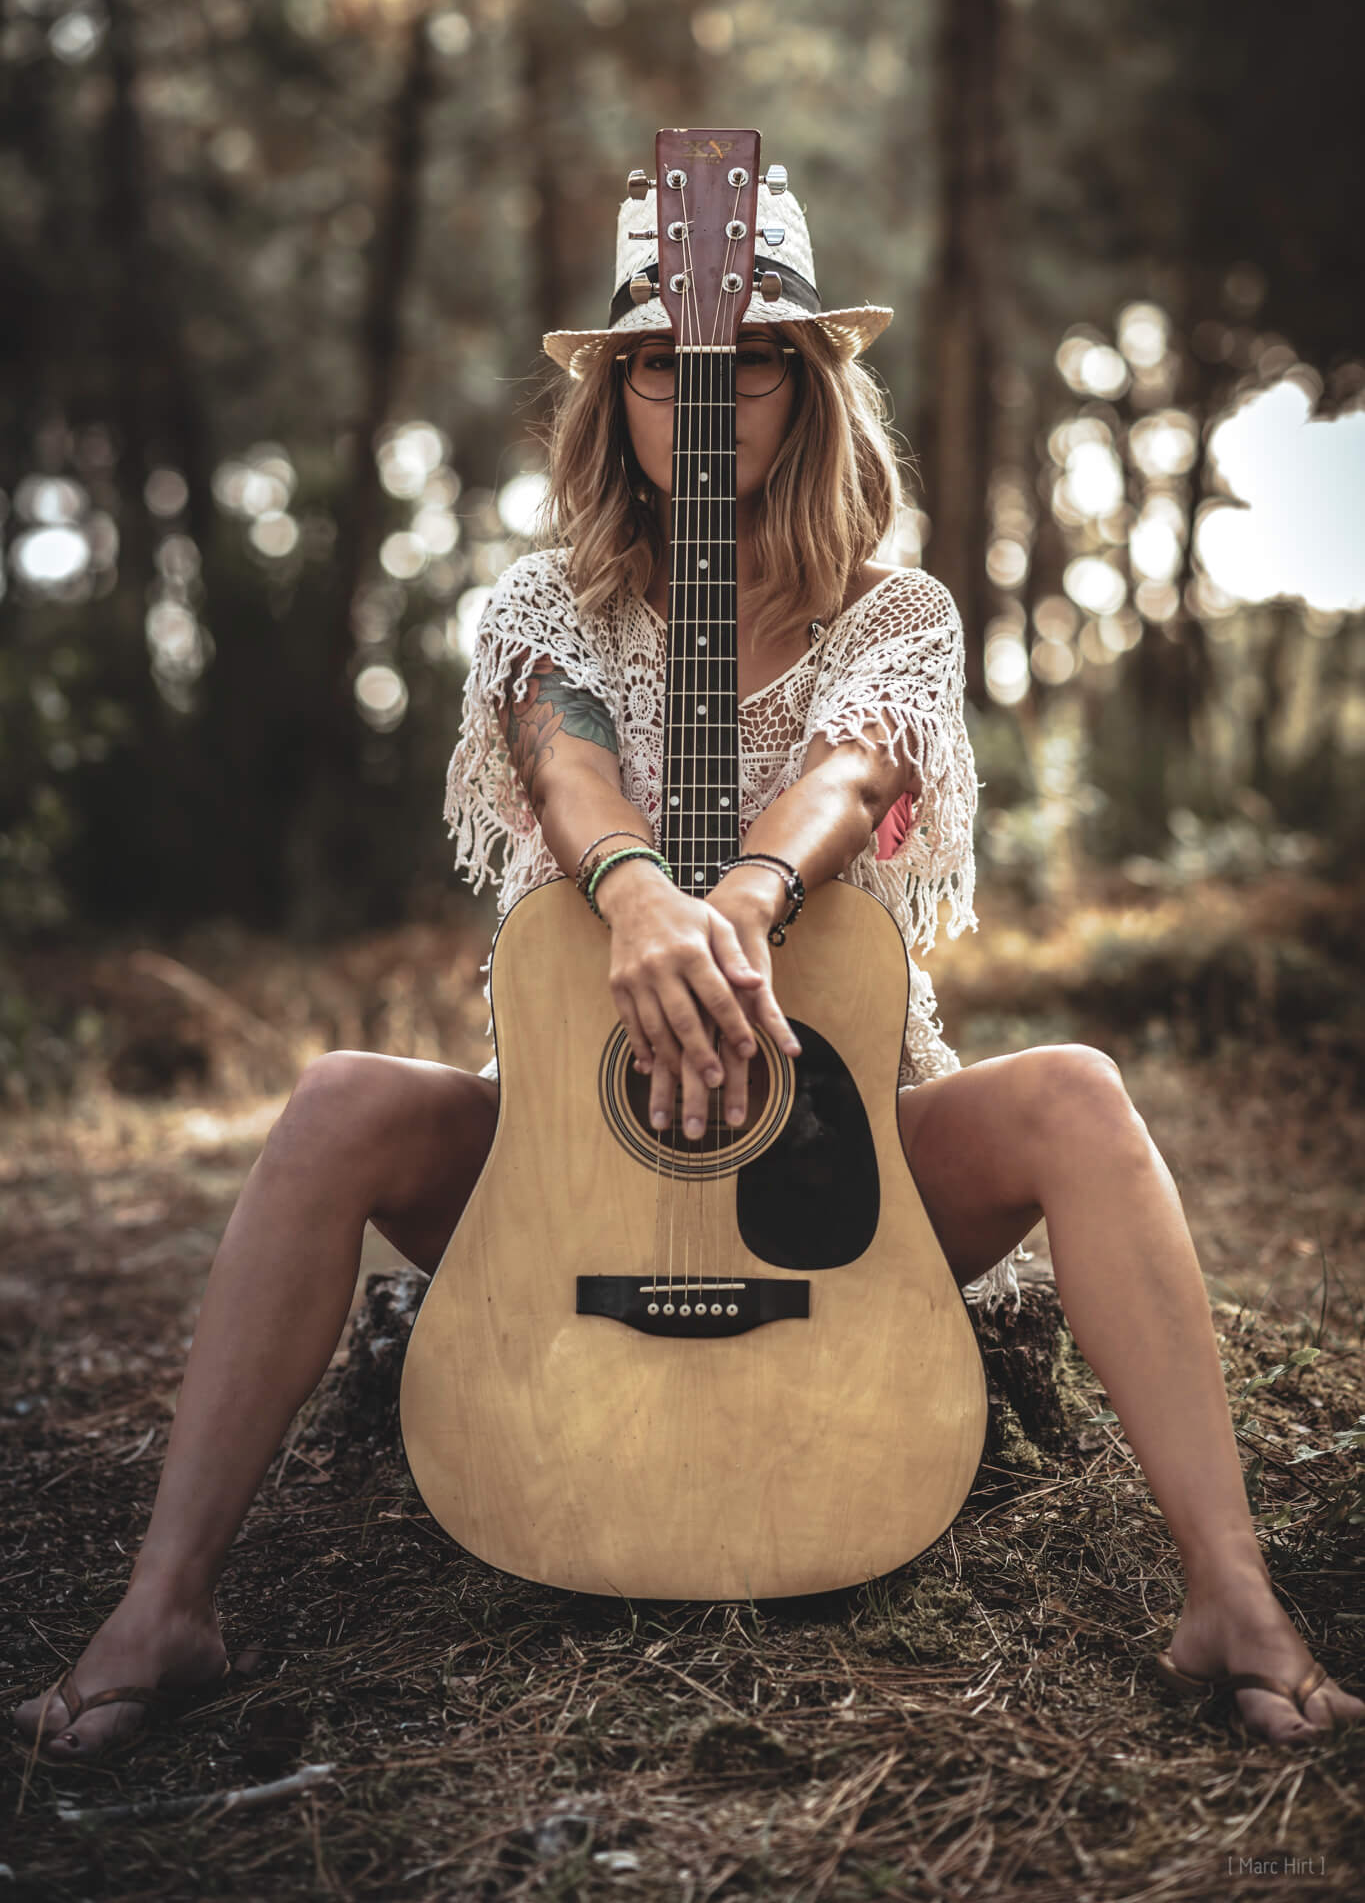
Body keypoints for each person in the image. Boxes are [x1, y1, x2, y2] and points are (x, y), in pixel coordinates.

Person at [16, 172, 1359, 1764]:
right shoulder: (544, 604)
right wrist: (636, 890)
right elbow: (561, 756)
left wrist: (743, 894)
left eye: (750, 363)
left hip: (838, 1147)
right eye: (664, 366)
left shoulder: (897, 614)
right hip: (567, 1165)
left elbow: (855, 775)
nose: (703, 400)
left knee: (1073, 1090)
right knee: (333, 1102)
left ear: (807, 387)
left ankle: (1227, 1590)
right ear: (616, 393)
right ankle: (167, 1601)